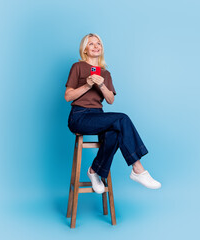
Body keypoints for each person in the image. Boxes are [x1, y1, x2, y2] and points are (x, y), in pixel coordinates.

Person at [64, 33, 161, 193]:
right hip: (79, 116)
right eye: (91, 44)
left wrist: (101, 85)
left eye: (98, 44)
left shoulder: (105, 74)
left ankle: (94, 171)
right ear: (85, 49)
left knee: (115, 132)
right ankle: (138, 169)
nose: (96, 46)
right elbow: (68, 96)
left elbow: (110, 100)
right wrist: (87, 85)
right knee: (122, 119)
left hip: (98, 115)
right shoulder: (78, 67)